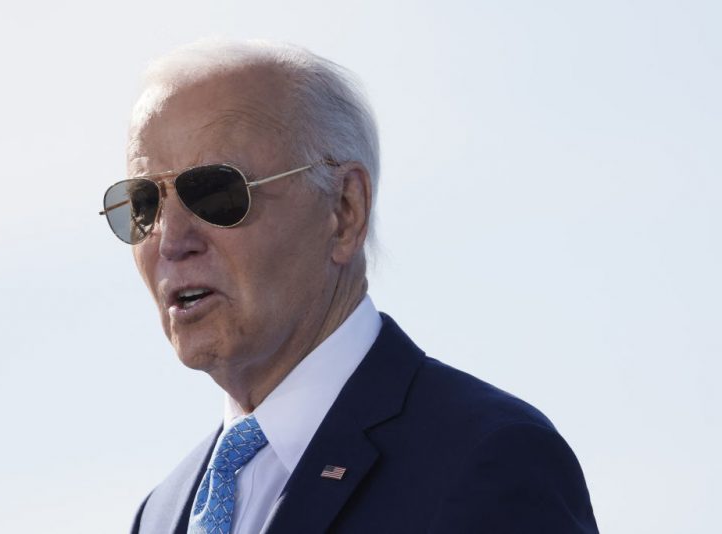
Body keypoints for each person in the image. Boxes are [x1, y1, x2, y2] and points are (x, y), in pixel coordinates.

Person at [100, 39, 599, 534]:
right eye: (143, 204)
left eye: (214, 192)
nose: (171, 240)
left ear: (344, 211)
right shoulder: (162, 514)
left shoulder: (489, 457)